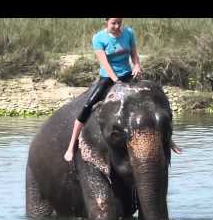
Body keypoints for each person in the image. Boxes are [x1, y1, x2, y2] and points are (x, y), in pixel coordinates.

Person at [64, 18, 181, 162]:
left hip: (127, 75)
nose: (117, 26)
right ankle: (71, 145)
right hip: (108, 77)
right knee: (87, 106)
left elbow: (134, 54)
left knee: (153, 102)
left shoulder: (128, 33)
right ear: (106, 22)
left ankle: (168, 139)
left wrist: (137, 65)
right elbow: (105, 64)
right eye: (113, 23)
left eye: (119, 22)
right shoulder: (99, 38)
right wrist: (116, 81)